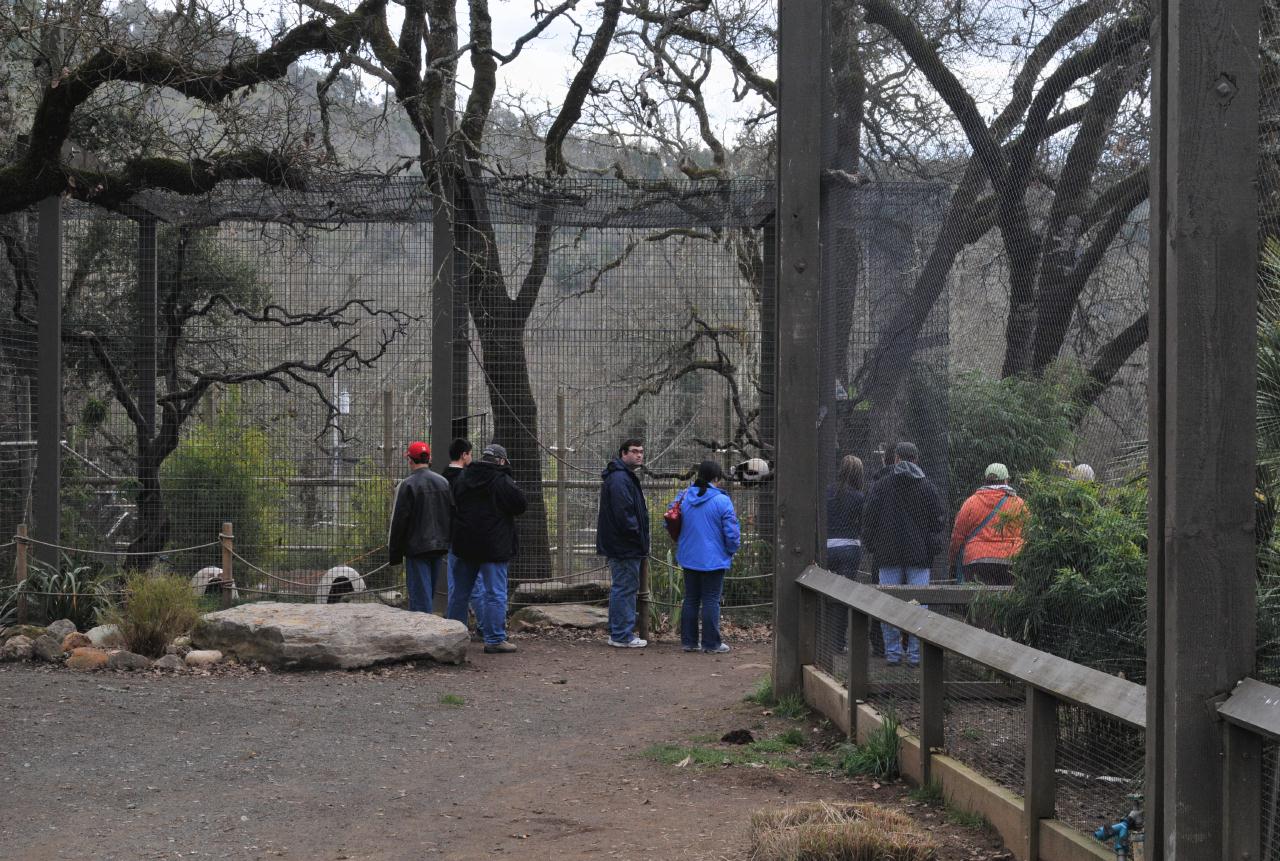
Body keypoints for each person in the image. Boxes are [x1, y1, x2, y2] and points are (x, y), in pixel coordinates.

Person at [862, 441, 946, 667]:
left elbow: (869, 518)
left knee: (888, 603)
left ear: (897, 458)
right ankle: (916, 655)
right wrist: (931, 548)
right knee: (919, 605)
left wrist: (872, 546)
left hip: (887, 554)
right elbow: (938, 522)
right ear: (916, 459)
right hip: (919, 557)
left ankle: (893, 654)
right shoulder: (927, 487)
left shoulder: (882, 485)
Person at [448, 443, 527, 654]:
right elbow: (520, 504)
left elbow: (455, 502)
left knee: (460, 593)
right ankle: (494, 638)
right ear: (501, 461)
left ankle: (453, 636)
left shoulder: (464, 477)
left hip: (465, 543)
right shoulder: (501, 480)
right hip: (494, 545)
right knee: (495, 593)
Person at [669, 460, 741, 654]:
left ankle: (689, 642)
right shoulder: (721, 500)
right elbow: (732, 532)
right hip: (714, 559)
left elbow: (669, 521)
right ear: (716, 478)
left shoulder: (683, 496)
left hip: (689, 556)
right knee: (710, 599)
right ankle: (711, 644)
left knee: (691, 598)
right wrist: (732, 549)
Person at [387, 441, 454, 613]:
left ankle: (423, 634)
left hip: (416, 548)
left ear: (410, 460)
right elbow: (452, 514)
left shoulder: (407, 485)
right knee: (429, 592)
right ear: (429, 458)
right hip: (439, 546)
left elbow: (399, 521)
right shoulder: (443, 482)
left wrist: (394, 554)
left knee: (420, 596)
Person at [596, 438, 650, 648]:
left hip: (624, 543)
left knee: (624, 587)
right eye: (635, 451)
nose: (639, 455)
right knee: (625, 588)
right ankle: (621, 634)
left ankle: (619, 632)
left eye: (641, 452)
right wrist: (636, 535)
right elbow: (624, 513)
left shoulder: (622, 477)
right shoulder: (620, 479)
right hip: (624, 545)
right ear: (623, 453)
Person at [948, 463, 1028, 586]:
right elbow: (1028, 532)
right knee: (1007, 601)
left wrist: (952, 561)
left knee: (978, 601)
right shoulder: (1018, 503)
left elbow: (958, 535)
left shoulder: (971, 502)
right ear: (1006, 480)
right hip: (1011, 559)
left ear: (985, 480)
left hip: (977, 560)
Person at [443, 438, 483, 639]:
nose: (471, 457)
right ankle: (485, 625)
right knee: (476, 584)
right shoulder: (467, 478)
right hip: (467, 536)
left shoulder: (442, 478)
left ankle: (456, 628)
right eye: (470, 454)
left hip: (449, 536)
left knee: (455, 584)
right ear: (463, 455)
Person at [826, 455, 866, 581]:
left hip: (828, 544)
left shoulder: (828, 492)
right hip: (849, 546)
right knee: (846, 589)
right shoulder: (859, 496)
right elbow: (862, 524)